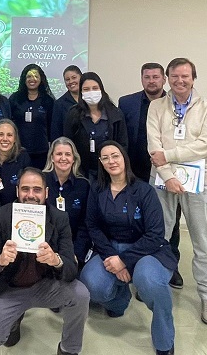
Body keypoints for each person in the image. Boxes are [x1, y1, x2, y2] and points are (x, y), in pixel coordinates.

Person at [0, 168, 90, 355]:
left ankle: (69, 349)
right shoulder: (1, 216)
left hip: (45, 285)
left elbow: (71, 268)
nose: (30, 195)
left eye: (37, 189)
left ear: (46, 193)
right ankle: (15, 320)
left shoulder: (59, 218)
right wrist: (0, 261)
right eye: (25, 189)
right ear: (17, 191)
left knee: (81, 295)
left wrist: (56, 261)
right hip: (10, 289)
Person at [80, 141, 176, 355]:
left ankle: (164, 341)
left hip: (147, 251)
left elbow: (155, 234)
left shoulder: (144, 191)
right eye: (105, 158)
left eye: (115, 155)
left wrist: (123, 261)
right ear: (101, 163)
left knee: (150, 281)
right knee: (91, 283)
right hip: (111, 248)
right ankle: (120, 301)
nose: (111, 161)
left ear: (124, 158)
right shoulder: (97, 189)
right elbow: (93, 226)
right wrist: (112, 257)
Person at [147, 57, 207, 326]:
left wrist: (169, 155)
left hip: (199, 182)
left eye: (185, 76)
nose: (180, 81)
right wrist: (168, 176)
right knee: (160, 237)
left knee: (203, 243)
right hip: (163, 180)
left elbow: (205, 146)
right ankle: (155, 286)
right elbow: (153, 145)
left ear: (193, 78)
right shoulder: (156, 106)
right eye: (175, 76)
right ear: (168, 78)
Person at [119, 62, 183, 289]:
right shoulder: (126, 103)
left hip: (166, 172)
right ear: (141, 79)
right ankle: (138, 263)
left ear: (164, 79)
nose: (152, 81)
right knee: (136, 220)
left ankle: (170, 264)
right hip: (135, 172)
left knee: (170, 221)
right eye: (147, 77)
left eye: (156, 77)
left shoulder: (176, 103)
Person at [64, 71, 128, 182]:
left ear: (101, 90)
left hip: (109, 170)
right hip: (81, 171)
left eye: (95, 88)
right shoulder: (73, 114)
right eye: (86, 89)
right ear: (81, 92)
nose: (91, 92)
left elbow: (123, 145)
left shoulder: (115, 114)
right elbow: (67, 143)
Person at [42, 137, 91, 266]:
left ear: (74, 158)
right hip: (43, 248)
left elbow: (85, 224)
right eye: (59, 154)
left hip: (72, 248)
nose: (63, 158)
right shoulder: (40, 181)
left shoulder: (83, 185)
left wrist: (76, 254)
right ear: (52, 158)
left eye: (68, 154)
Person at [9, 64, 55, 169]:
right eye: (29, 76)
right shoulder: (15, 99)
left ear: (41, 79)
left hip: (41, 152)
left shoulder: (48, 101)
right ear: (24, 79)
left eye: (36, 76)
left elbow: (51, 127)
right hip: (18, 150)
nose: (32, 79)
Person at [0, 118, 31, 206]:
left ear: (15, 139)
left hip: (15, 208)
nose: (5, 139)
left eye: (9, 135)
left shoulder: (23, 157)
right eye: (0, 134)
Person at [51, 66, 81, 139]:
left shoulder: (89, 99)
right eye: (67, 79)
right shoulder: (59, 104)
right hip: (68, 144)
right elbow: (56, 131)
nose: (71, 82)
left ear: (81, 77)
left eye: (74, 77)